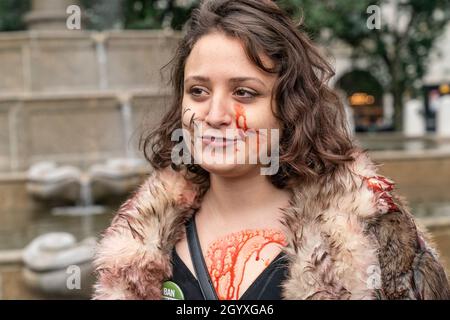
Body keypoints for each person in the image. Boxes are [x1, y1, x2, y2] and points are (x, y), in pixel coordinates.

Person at [92, 0, 450, 300]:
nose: (215, 116)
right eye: (198, 92)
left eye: (244, 93)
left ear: (289, 108)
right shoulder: (137, 246)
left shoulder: (371, 232)